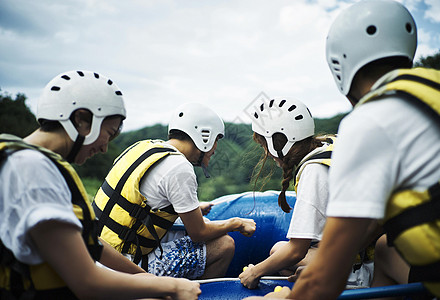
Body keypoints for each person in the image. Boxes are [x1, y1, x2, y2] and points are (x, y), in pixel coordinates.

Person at [270, 1, 440, 299]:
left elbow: (322, 284)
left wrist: (285, 296)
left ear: (340, 64)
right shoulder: (439, 87)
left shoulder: (369, 120)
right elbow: (375, 224)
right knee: (383, 247)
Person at [0, 70, 201, 299]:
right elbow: (86, 282)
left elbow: (91, 243)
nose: (105, 147)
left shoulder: (23, 160)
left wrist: (146, 277)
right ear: (82, 120)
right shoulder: (33, 171)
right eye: (109, 133)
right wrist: (172, 287)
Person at [93, 102, 256, 279]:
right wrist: (236, 223)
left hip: (99, 248)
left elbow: (142, 202)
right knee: (224, 245)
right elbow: (198, 233)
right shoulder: (180, 167)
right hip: (125, 263)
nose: (215, 149)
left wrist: (192, 208)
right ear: (205, 136)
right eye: (216, 140)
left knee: (203, 221)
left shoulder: (142, 147)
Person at [239, 96, 373, 290]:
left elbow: (296, 251)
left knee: (279, 251)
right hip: (365, 249)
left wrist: (254, 272)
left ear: (278, 142)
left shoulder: (314, 171)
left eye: (264, 145)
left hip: (360, 268)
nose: (266, 153)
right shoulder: (329, 144)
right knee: (281, 256)